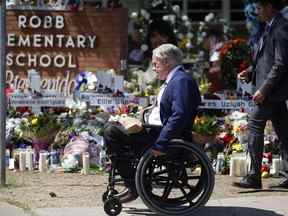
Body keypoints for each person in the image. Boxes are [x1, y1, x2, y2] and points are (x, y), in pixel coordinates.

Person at [103, 43, 201, 203]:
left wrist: (161, 143)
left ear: (167, 62)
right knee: (113, 126)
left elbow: (180, 115)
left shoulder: (181, 81)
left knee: (111, 132)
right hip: (155, 130)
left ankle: (133, 185)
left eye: (156, 64)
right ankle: (132, 179)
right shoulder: (174, 79)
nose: (154, 68)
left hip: (161, 136)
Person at [233, 0, 288, 189]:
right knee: (284, 132)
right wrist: (250, 71)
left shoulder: (281, 27)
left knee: (255, 127)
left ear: (270, 7)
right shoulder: (271, 26)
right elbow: (267, 59)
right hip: (274, 93)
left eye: (259, 8)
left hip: (270, 93)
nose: (257, 12)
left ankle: (254, 176)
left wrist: (263, 89)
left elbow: (281, 63)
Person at [202, 28, 225, 93]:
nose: (203, 43)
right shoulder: (215, 49)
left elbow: (216, 67)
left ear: (211, 38)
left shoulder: (217, 48)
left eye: (204, 40)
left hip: (218, 84)